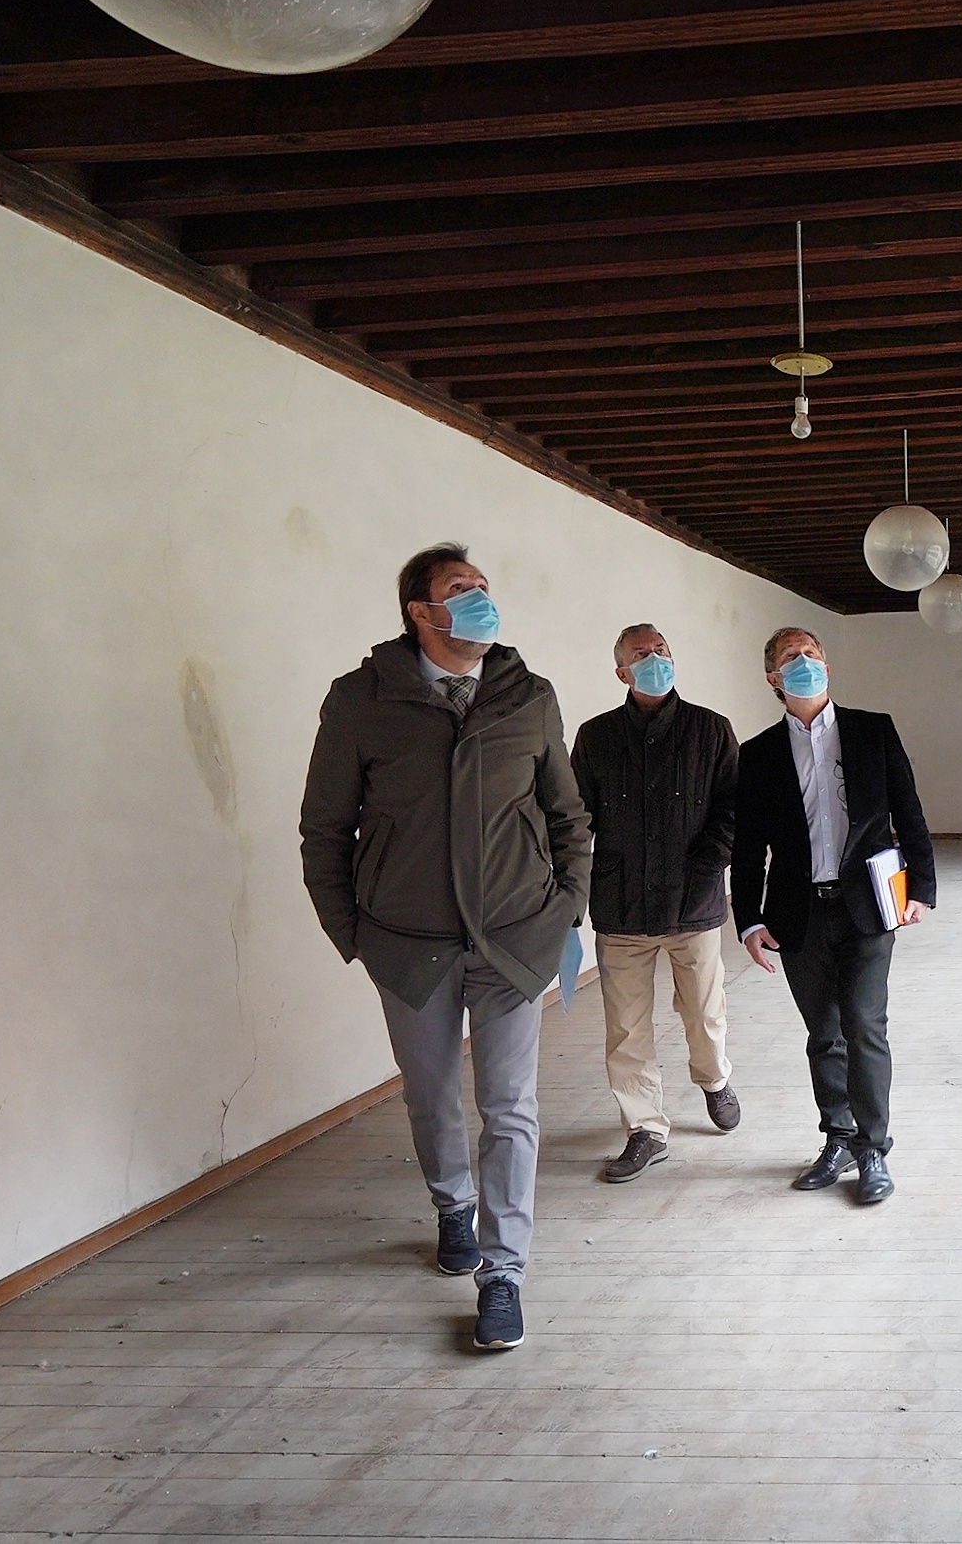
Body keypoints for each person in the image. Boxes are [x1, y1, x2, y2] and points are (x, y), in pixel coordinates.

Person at [299, 544, 590, 1352]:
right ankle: (453, 1205)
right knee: (430, 1096)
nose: (480, 600)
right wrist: (353, 933)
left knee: (510, 1105)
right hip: (408, 945)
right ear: (420, 612)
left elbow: (566, 813)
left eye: (484, 587)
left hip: (513, 939)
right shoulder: (362, 700)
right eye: (461, 590)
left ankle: (503, 1273)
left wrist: (565, 904)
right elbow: (325, 828)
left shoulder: (527, 695)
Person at [733, 627, 935, 1204]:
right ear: (773, 677)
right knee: (823, 1033)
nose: (804, 662)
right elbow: (747, 845)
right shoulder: (759, 753)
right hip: (797, 913)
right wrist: (748, 918)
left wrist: (922, 887)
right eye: (791, 657)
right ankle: (838, 1138)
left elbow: (908, 810)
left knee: (864, 1026)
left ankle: (873, 1149)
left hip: (868, 904)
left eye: (812, 653)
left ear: (826, 665)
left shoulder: (873, 730)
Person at [569, 624, 742, 1184]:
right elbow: (575, 818)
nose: (655, 658)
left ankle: (715, 1079)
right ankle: (645, 1128)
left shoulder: (710, 730)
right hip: (621, 906)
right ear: (621, 671)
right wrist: (568, 888)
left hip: (693, 902)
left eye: (662, 649)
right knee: (626, 1027)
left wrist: (708, 864)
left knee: (703, 1013)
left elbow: (732, 807)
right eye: (641, 654)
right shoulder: (596, 736)